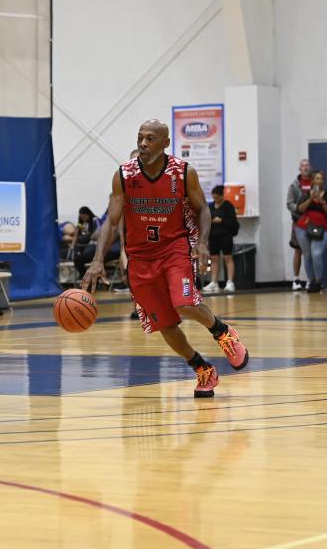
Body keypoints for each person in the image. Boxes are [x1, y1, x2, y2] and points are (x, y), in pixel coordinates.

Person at [82, 119, 249, 398]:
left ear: (165, 143)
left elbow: (203, 210)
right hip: (139, 258)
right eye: (140, 137)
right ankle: (202, 369)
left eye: (150, 138)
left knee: (184, 302)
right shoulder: (124, 175)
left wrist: (203, 243)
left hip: (174, 249)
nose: (143, 143)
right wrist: (98, 259)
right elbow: (111, 221)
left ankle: (222, 333)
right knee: (164, 324)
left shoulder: (183, 172)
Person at [293, 170, 327, 293]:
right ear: (312, 181)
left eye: (321, 179)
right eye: (317, 178)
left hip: (322, 227)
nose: (319, 181)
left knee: (316, 253)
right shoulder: (306, 194)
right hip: (304, 226)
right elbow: (299, 209)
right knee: (307, 255)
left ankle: (319, 281)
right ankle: (311, 282)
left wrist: (322, 202)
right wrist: (311, 199)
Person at [203, 185, 240, 294]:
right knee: (214, 258)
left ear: (222, 196)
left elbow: (233, 222)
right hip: (213, 236)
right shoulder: (210, 206)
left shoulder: (228, 206)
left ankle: (230, 282)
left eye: (217, 197)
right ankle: (214, 282)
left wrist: (222, 220)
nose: (215, 199)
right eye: (214, 197)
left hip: (226, 236)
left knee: (228, 257)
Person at [286, 158, 314, 290]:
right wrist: (298, 209)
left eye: (307, 165)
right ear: (299, 169)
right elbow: (289, 203)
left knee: (312, 251)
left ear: (310, 167)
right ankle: (296, 279)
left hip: (314, 222)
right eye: (303, 165)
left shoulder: (316, 183)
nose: (305, 167)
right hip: (299, 221)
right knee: (298, 250)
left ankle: (311, 279)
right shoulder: (294, 185)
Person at [72, 206, 103, 280]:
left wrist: (89, 234)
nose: (83, 218)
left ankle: (87, 275)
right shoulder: (81, 223)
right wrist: (73, 245)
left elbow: (99, 232)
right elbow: (76, 236)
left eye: (84, 216)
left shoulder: (95, 220)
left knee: (82, 257)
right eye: (81, 217)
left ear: (88, 214)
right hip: (83, 245)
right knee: (76, 258)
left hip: (94, 245)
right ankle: (83, 274)